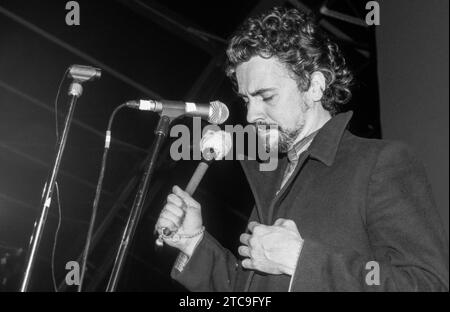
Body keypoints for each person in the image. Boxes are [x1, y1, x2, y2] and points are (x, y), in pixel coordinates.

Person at [155, 7, 449, 291]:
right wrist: (192, 241)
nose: (250, 115)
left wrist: (301, 260)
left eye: (266, 96)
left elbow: (427, 284)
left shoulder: (379, 164)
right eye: (247, 100)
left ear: (315, 86)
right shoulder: (273, 176)